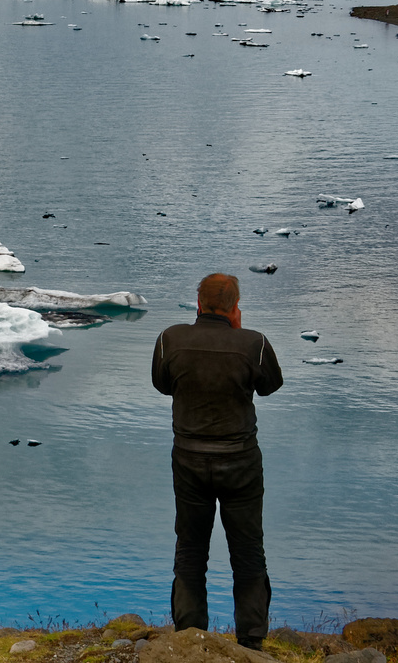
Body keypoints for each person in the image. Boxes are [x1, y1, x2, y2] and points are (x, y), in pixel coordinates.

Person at [151, 273, 284, 651]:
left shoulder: (170, 339)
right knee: (247, 550)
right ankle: (252, 641)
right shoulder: (253, 343)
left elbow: (163, 384)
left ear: (198, 304)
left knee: (191, 550)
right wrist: (237, 331)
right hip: (240, 462)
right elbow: (270, 385)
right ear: (234, 307)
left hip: (189, 461)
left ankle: (191, 639)